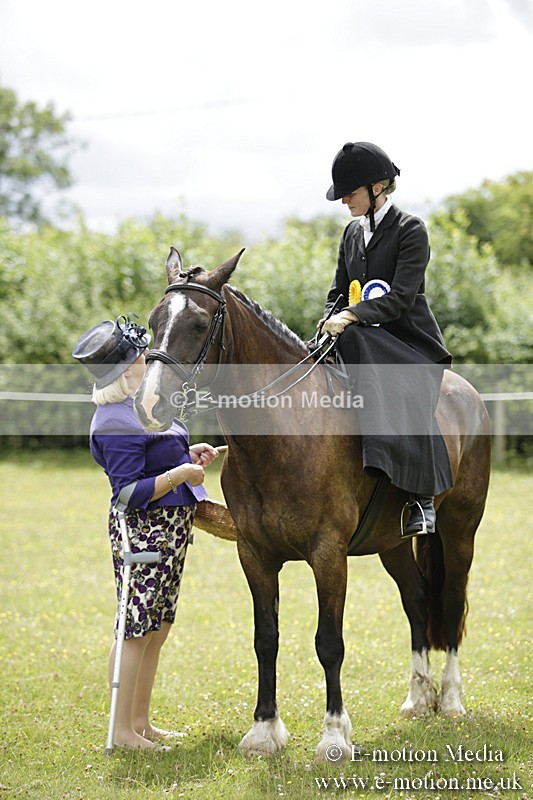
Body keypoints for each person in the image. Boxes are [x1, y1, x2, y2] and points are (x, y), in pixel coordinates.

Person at [72, 314, 219, 749]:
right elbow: (128, 493)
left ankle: (139, 722)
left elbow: (153, 453)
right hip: (144, 535)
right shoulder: (114, 420)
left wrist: (186, 453)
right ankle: (121, 732)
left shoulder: (139, 407)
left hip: (170, 532)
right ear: (125, 370)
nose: (147, 358)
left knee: (158, 627)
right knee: (136, 629)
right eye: (139, 355)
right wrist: (180, 474)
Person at [320, 141, 453, 537]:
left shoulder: (411, 230)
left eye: (350, 193)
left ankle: (421, 497)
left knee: (358, 340)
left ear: (377, 187)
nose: (344, 200)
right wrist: (329, 319)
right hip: (360, 340)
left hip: (410, 343)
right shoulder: (351, 233)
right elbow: (337, 291)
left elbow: (401, 298)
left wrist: (352, 315)